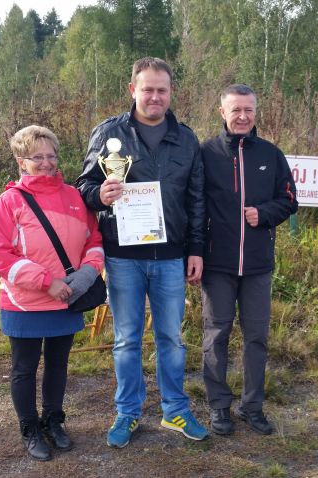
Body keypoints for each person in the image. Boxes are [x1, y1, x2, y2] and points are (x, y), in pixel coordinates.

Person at [76, 57, 208, 447]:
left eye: (161, 90)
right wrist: (99, 194)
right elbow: (83, 187)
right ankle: (128, 413)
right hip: (123, 256)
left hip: (171, 257)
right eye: (147, 89)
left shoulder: (186, 139)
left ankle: (175, 410)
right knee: (126, 339)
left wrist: (196, 249)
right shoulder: (108, 134)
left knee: (171, 339)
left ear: (171, 93)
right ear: (133, 89)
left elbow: (196, 200)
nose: (154, 97)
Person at [0, 125, 104, 461]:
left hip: (67, 299)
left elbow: (95, 241)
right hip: (24, 303)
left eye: (51, 156)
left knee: (58, 365)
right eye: (37, 157)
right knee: (24, 368)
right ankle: (30, 428)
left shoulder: (75, 197)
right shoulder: (9, 202)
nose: (46, 163)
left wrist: (86, 275)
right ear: (21, 161)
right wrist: (46, 282)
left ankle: (53, 421)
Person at [200, 84, 298, 436]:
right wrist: (194, 251)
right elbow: (193, 205)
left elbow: (289, 200)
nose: (242, 117)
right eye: (236, 110)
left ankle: (252, 406)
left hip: (257, 264)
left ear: (256, 113)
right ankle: (219, 406)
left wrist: (264, 213)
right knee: (217, 335)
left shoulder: (271, 154)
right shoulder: (206, 153)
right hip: (217, 264)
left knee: (256, 336)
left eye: (249, 110)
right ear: (222, 112)